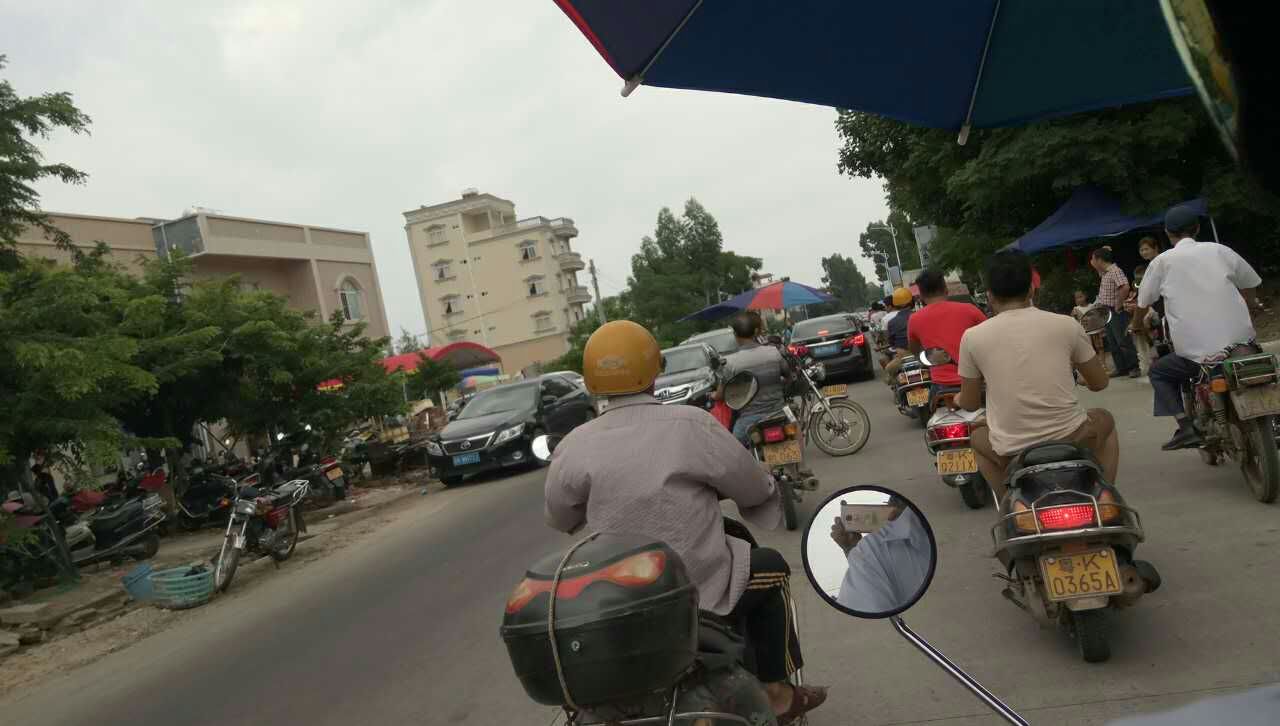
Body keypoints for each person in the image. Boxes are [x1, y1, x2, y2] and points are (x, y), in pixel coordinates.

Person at [544, 320, 827, 723]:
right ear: (654, 370)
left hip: (619, 604)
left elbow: (559, 516)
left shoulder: (574, 445)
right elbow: (751, 487)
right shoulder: (692, 425)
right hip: (699, 597)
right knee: (773, 569)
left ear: (592, 382)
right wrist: (762, 489)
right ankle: (778, 694)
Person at [955, 250, 1118, 502]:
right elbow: (1099, 382)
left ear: (989, 295)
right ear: (1032, 289)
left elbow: (970, 403)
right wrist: (1082, 378)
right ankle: (1104, 499)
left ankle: (1010, 506)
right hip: (1073, 439)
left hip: (1012, 450)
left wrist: (958, 399)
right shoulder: (1066, 325)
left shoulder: (972, 337)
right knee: (1105, 420)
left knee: (976, 437)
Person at [1133, 205, 1265, 450]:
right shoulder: (1220, 250)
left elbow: (1143, 303)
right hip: (1241, 346)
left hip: (1197, 356)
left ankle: (1185, 428)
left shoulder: (1162, 262)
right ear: (1197, 228)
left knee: (1158, 372)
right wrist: (1250, 304)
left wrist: (1135, 325)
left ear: (1167, 233)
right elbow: (1250, 282)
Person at [829, 497, 931, 614]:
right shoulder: (872, 550)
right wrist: (853, 549)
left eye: (887, 505)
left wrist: (853, 550)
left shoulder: (871, 549)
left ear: (892, 512)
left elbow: (863, 615)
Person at [718, 311, 790, 446]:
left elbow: (721, 395)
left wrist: (712, 396)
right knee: (795, 433)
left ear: (735, 334)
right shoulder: (773, 352)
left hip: (749, 421)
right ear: (756, 332)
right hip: (779, 413)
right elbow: (788, 375)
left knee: (732, 449)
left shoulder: (730, 363)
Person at [906, 269, 986, 390]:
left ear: (921, 295)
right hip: (977, 382)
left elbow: (915, 351)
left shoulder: (914, 319)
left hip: (942, 385)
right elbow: (991, 338)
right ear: (946, 289)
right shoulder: (969, 310)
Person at [1090, 247, 1142, 378]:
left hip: (1115, 310)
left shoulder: (1114, 270)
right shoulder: (1105, 272)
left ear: (1099, 260)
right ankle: (1121, 367)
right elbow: (1098, 268)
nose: (1092, 262)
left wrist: (1118, 304)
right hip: (1106, 311)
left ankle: (1134, 367)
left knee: (1122, 340)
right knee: (1112, 341)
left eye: (1093, 259)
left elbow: (1125, 287)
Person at [881, 287, 917, 386]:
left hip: (903, 357)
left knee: (888, 369)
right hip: (923, 356)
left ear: (894, 304)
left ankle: (896, 386)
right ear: (912, 302)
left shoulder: (892, 322)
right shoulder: (919, 316)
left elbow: (891, 342)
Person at [1125, 264, 1155, 377]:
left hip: (1150, 324)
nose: (1139, 282)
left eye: (1141, 278)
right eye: (1137, 279)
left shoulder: (1153, 288)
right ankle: (1146, 368)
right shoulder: (1134, 293)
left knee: (1151, 346)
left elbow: (1150, 306)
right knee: (1141, 347)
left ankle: (1153, 367)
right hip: (1138, 324)